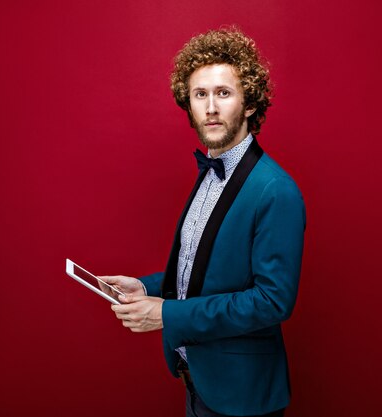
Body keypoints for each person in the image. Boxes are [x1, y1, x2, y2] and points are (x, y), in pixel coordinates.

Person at [99, 28, 306, 417]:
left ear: (248, 104)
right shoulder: (209, 173)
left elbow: (272, 301)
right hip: (198, 382)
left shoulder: (276, 190)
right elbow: (206, 269)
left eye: (223, 93)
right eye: (200, 94)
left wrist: (166, 313)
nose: (210, 107)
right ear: (189, 104)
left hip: (241, 397)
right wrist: (145, 286)